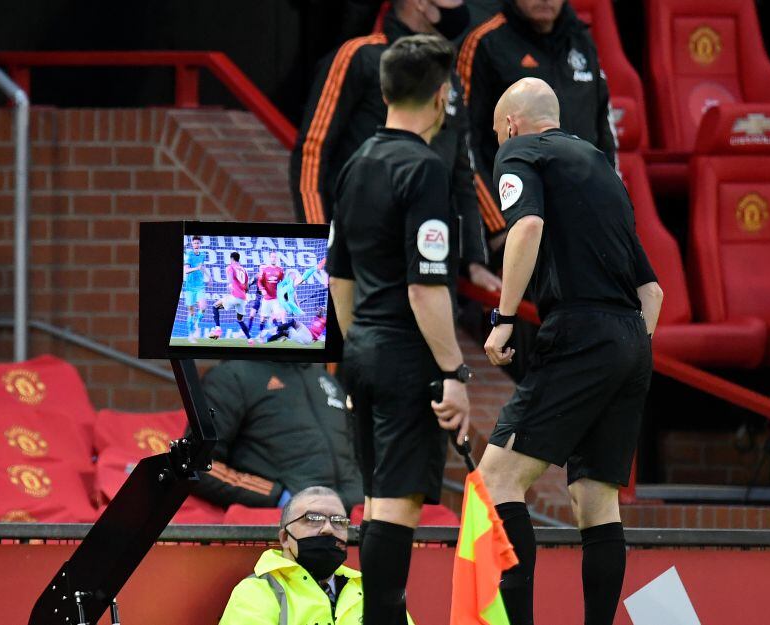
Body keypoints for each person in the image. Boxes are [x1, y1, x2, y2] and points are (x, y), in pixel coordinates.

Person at [478, 78, 663, 625]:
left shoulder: (521, 151)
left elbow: (527, 225)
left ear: (511, 124)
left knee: (498, 481)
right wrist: (621, 352)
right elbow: (653, 291)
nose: (497, 143)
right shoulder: (603, 169)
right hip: (632, 337)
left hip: (579, 331)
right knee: (594, 500)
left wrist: (504, 318)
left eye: (495, 132)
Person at [327, 34, 472, 625]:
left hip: (362, 349)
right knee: (394, 504)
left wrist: (353, 353)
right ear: (442, 98)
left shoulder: (355, 164)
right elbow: (424, 288)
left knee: (376, 498)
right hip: (407, 357)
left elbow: (338, 280)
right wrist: (453, 372)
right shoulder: (426, 169)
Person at [290, 0, 502, 293]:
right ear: (419, 4)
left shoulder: (447, 76)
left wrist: (475, 259)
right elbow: (312, 152)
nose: (462, 4)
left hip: (430, 257)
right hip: (360, 257)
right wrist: (320, 246)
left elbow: (463, 171)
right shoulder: (359, 56)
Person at [459, 0, 616, 243]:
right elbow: (466, 142)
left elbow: (604, 131)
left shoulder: (582, 42)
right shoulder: (486, 43)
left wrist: (611, 205)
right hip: (519, 216)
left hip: (585, 215)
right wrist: (498, 226)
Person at [189, 361, 363, 511]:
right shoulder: (231, 376)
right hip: (287, 524)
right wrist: (279, 497)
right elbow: (196, 464)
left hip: (357, 520)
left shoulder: (323, 377)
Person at [219, 486, 373, 625]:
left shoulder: (370, 590)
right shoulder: (256, 592)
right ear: (285, 538)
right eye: (313, 519)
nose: (328, 529)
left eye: (339, 521)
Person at [209, 252, 252, 341]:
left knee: (215, 306)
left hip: (235, 296)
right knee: (240, 320)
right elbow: (247, 287)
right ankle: (250, 339)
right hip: (243, 298)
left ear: (231, 259)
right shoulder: (244, 270)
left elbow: (230, 280)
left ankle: (218, 330)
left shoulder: (230, 267)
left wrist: (230, 286)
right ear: (238, 259)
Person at [248, 252, 287, 339]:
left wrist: (283, 292)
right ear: (269, 258)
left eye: (275, 257)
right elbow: (259, 281)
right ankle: (260, 335)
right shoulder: (265, 270)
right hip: (266, 299)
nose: (273, 258)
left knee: (278, 317)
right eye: (272, 257)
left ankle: (281, 335)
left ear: (276, 259)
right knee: (262, 319)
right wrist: (262, 289)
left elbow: (283, 283)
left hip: (275, 299)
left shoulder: (280, 270)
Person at [182, 235, 210, 344]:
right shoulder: (189, 255)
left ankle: (197, 323)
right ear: (192, 244)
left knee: (203, 307)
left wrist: (209, 276)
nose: (196, 245)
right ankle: (190, 335)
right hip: (189, 287)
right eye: (194, 243)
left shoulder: (202, 255)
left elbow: (202, 267)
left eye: (198, 243)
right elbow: (186, 271)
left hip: (200, 286)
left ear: (200, 244)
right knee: (191, 312)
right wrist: (196, 268)